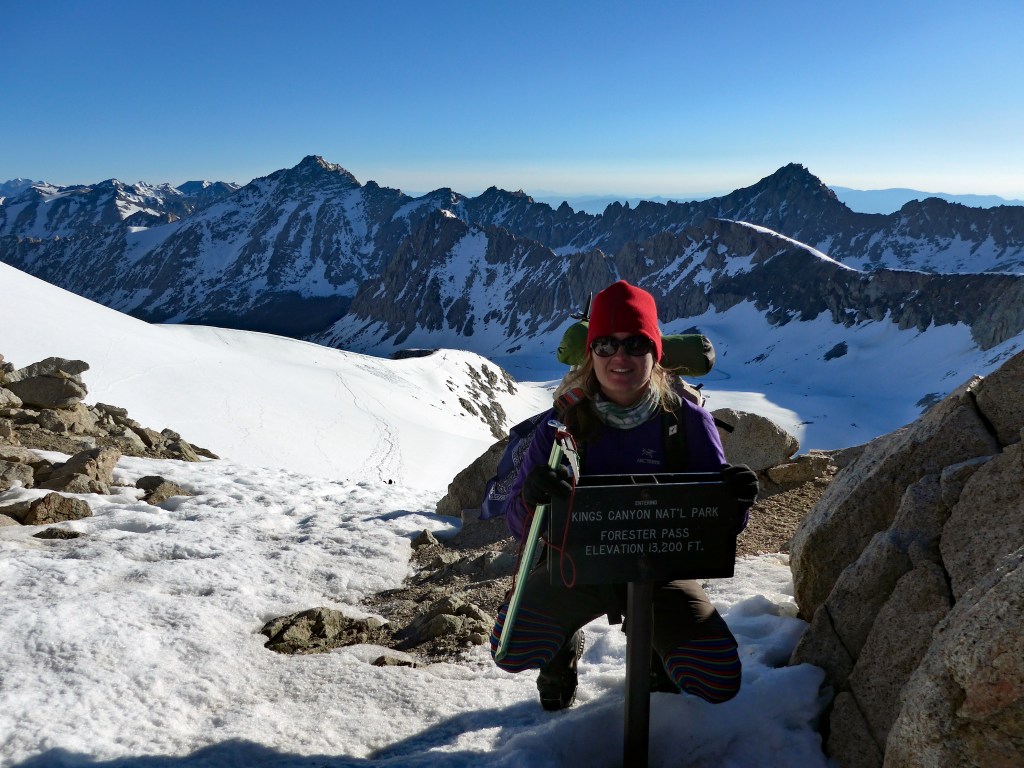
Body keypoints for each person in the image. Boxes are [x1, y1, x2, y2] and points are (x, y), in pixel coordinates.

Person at [489, 280, 758, 710]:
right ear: (590, 353)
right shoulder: (560, 424)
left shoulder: (687, 422)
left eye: (636, 343)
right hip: (574, 565)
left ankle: (653, 646)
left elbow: (717, 526)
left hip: (660, 569)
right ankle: (563, 647)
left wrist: (735, 501)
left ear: (655, 352)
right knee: (513, 649)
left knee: (715, 675)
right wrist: (533, 499)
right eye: (605, 344)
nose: (620, 357)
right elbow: (521, 526)